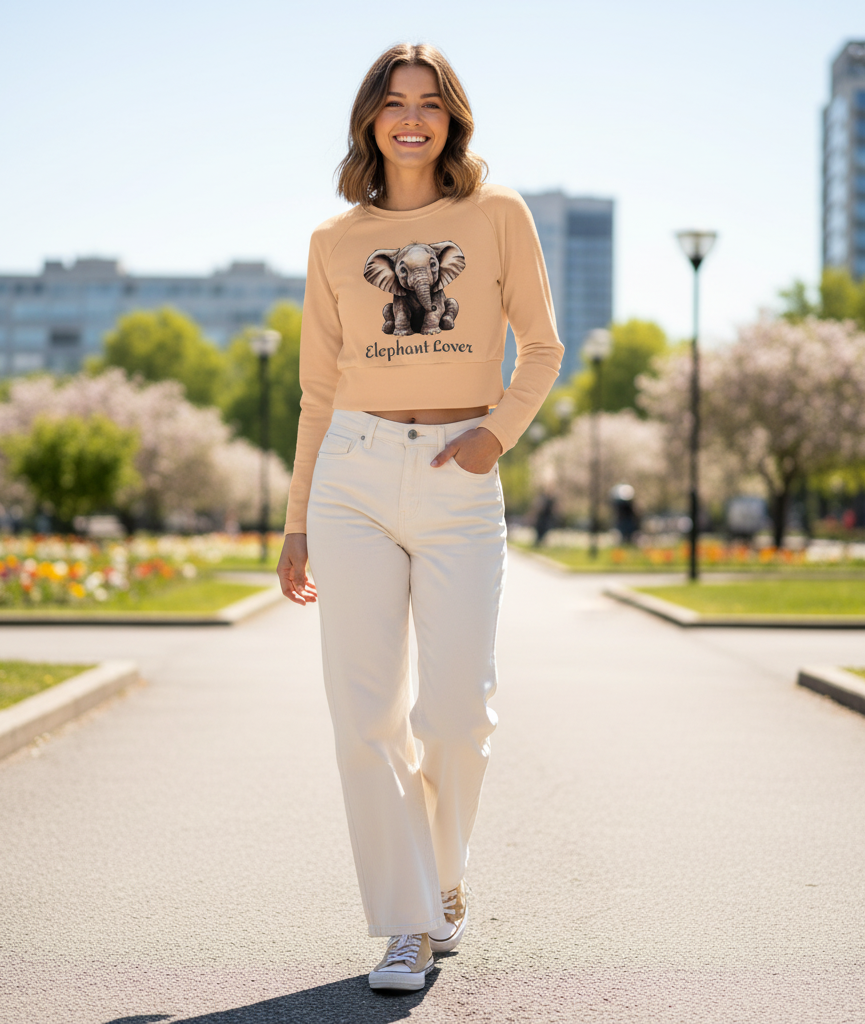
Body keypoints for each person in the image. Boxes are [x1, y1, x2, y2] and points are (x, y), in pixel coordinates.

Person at [276, 43, 563, 992]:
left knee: (452, 713)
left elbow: (543, 348)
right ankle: (405, 924)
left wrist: (496, 435)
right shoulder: (333, 242)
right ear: (369, 118)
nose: (411, 118)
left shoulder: (496, 215)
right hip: (352, 474)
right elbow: (318, 393)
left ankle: (443, 883)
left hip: (457, 479)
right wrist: (296, 521)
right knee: (365, 716)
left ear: (452, 118)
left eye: (429, 103)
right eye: (394, 102)